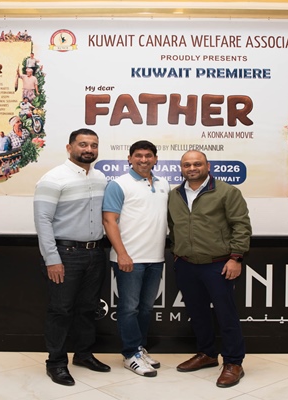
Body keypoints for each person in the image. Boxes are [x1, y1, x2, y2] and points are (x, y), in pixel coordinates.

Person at [33, 128, 111, 387]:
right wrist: (52, 259)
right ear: (69, 148)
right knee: (61, 310)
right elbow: (43, 220)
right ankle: (56, 362)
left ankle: (83, 354)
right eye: (83, 144)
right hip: (65, 255)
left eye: (93, 145)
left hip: (95, 253)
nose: (89, 149)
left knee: (88, 308)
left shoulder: (100, 178)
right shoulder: (53, 178)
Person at [168, 150, 251, 389]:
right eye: (187, 165)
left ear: (208, 166)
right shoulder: (175, 194)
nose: (192, 168)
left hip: (219, 264)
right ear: (181, 168)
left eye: (197, 164)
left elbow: (241, 226)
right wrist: (177, 252)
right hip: (186, 264)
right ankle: (207, 354)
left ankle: (234, 362)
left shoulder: (227, 192)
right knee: (198, 313)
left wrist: (236, 258)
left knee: (226, 314)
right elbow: (173, 226)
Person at [102, 140, 169, 378]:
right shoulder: (119, 184)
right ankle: (130, 354)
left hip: (156, 258)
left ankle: (139, 349)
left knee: (145, 308)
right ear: (129, 159)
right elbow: (109, 220)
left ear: (155, 159)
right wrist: (122, 253)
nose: (143, 159)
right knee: (129, 308)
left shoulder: (164, 184)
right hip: (129, 258)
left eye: (148, 155)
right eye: (138, 155)